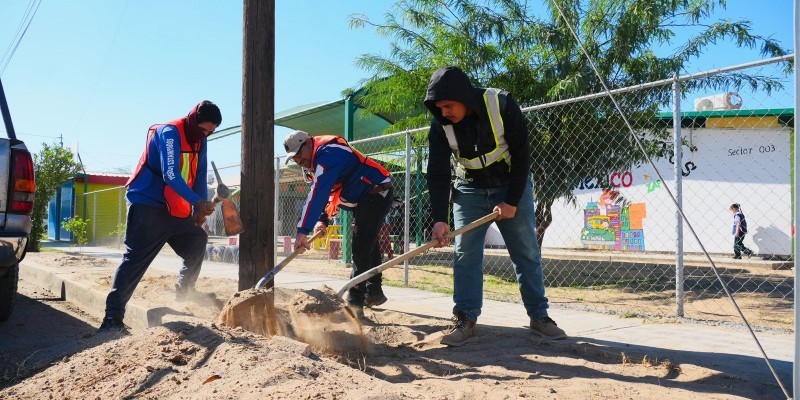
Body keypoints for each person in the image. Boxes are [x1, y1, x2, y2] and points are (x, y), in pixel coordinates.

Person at [424, 66, 566, 346]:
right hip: (469, 190)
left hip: (510, 184)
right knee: (465, 254)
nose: (444, 113)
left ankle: (539, 316)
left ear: (463, 97)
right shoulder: (440, 126)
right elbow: (437, 173)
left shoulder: (500, 104)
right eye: (439, 108)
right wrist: (439, 219)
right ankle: (465, 319)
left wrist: (512, 200)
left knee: (526, 251)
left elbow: (523, 153)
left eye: (448, 106)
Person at [97, 101, 222, 333]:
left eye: (210, 132)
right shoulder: (170, 133)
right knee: (135, 261)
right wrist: (197, 201)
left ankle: (185, 291)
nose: (205, 135)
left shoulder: (201, 140)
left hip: (175, 208)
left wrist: (200, 208)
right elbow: (171, 174)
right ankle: (112, 319)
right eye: (204, 130)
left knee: (197, 240)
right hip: (148, 205)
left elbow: (200, 174)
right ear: (192, 120)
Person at [284, 130, 393, 316]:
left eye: (298, 155)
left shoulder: (329, 153)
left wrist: (303, 231)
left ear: (309, 143)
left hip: (376, 192)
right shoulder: (313, 163)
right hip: (363, 197)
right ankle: (374, 292)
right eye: (293, 158)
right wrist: (322, 220)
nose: (298, 160)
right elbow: (326, 193)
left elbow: (318, 193)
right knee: (368, 243)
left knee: (361, 247)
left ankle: (355, 304)